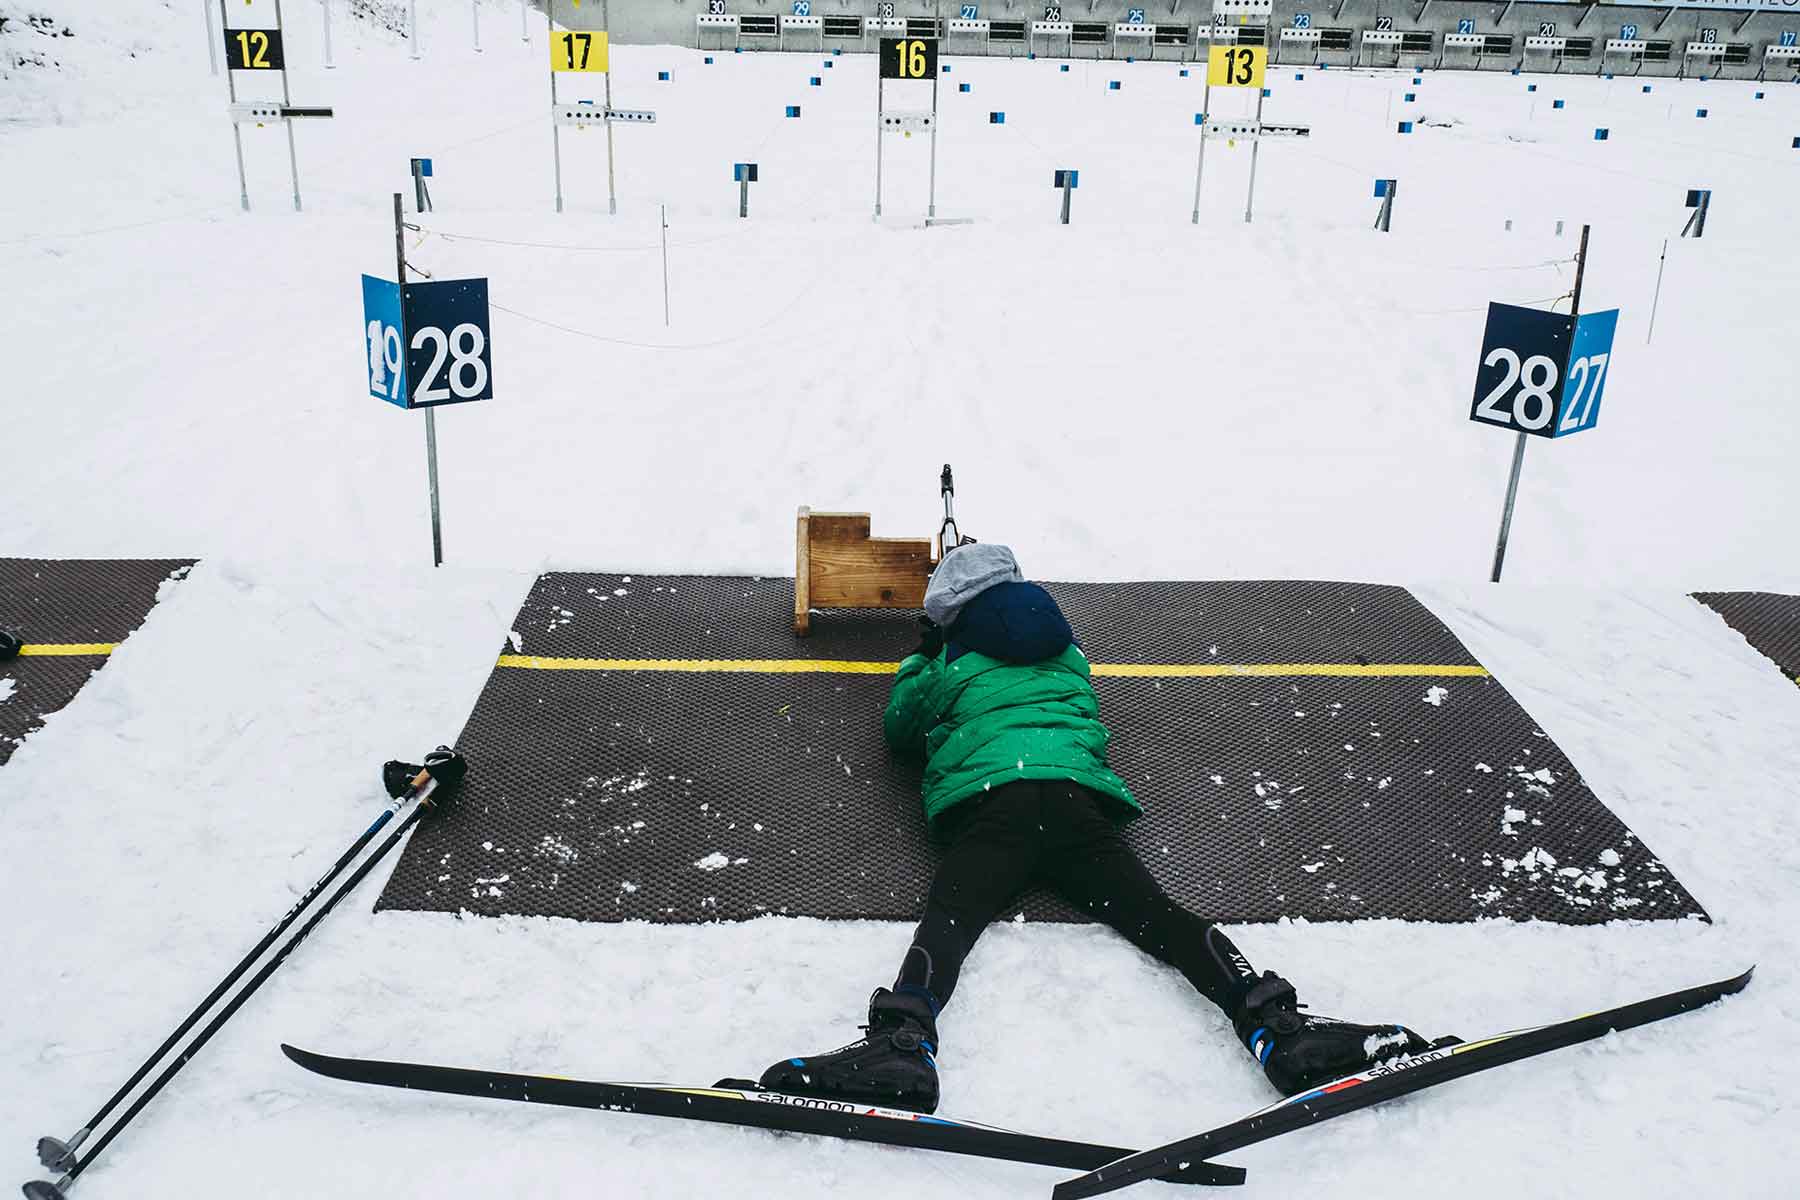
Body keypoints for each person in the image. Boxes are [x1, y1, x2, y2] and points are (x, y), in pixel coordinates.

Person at [760, 543, 1441, 1113]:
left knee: (951, 919)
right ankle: (1276, 1025)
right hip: (1073, 805)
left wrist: (922, 657)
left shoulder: (950, 662)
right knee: (1159, 917)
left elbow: (900, 729)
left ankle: (902, 1044)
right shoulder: (1067, 651)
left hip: (995, 806)